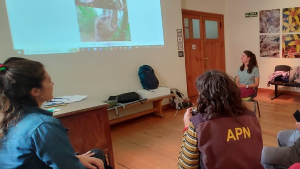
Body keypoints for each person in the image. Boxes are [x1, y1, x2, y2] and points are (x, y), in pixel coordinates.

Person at [0, 57, 108, 169]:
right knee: (97, 159)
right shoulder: (43, 125)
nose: (53, 83)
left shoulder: (7, 116)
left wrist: (75, 158)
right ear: (35, 91)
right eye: (48, 80)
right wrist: (74, 160)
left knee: (96, 154)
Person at [178, 70, 264, 169]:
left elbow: (185, 166)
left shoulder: (199, 124)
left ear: (205, 98)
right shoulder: (251, 117)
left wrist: (187, 128)